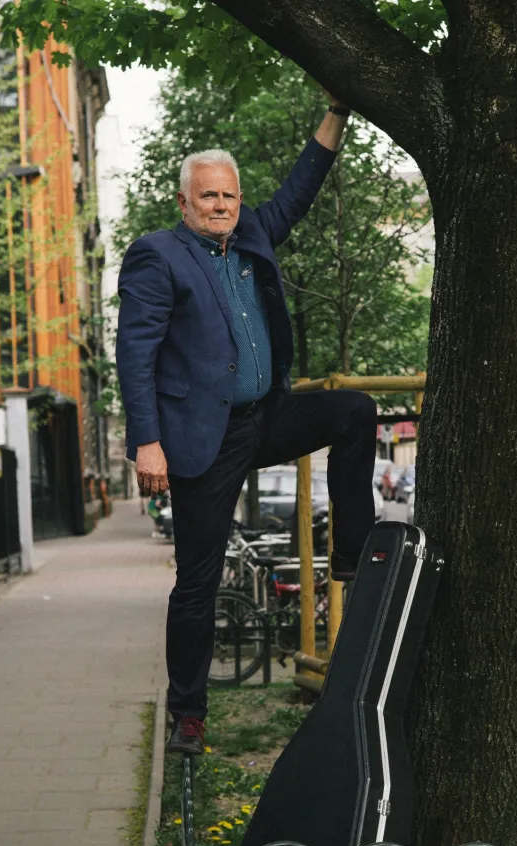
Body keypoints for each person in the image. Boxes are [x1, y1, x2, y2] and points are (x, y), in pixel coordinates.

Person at [115, 94, 377, 755]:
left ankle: (352, 558)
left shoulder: (253, 235)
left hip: (268, 415)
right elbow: (135, 352)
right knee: (198, 582)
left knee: (355, 411)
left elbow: (300, 187)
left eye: (229, 196)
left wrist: (336, 112)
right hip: (205, 438)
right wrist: (147, 442)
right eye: (208, 197)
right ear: (184, 203)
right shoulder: (158, 257)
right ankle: (189, 715)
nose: (222, 206)